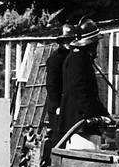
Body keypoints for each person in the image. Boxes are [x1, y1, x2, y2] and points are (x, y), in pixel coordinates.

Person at [58, 17, 109, 146]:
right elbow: (80, 91)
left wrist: (105, 114)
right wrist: (91, 115)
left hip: (78, 124)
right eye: (95, 43)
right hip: (80, 126)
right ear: (90, 43)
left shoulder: (77, 58)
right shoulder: (78, 59)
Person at [45, 22, 75, 147]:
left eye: (70, 40)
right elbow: (51, 85)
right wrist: (57, 105)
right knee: (59, 139)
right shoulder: (55, 59)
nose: (68, 43)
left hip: (69, 105)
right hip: (58, 106)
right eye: (66, 40)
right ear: (61, 41)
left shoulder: (74, 57)